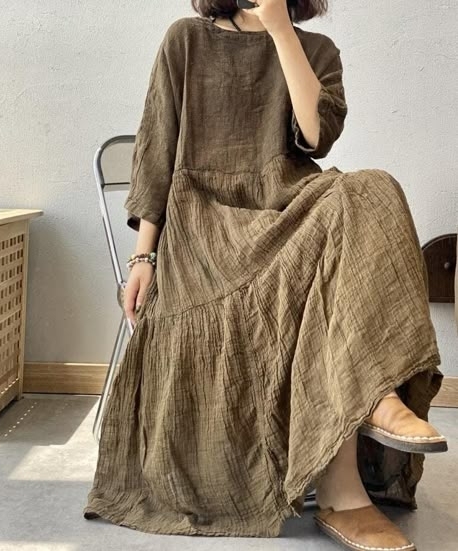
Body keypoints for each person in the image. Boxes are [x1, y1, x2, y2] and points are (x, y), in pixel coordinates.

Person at [83, 2, 448, 550]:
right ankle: (346, 485)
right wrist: (143, 258)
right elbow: (157, 151)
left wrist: (279, 28)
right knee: (326, 268)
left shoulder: (317, 51)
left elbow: (315, 138)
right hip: (207, 228)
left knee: (372, 188)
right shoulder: (186, 40)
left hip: (285, 208)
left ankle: (368, 405)